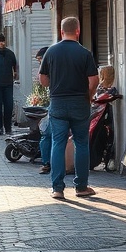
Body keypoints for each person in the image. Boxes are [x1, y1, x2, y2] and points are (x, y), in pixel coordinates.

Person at [40, 16, 99, 200]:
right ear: (78, 31)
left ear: (61, 31)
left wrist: (54, 83)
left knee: (58, 143)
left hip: (58, 103)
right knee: (81, 144)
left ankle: (57, 189)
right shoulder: (84, 53)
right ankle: (81, 187)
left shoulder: (51, 52)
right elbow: (94, 80)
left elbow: (42, 80)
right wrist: (88, 97)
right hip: (79, 104)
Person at [34, 46, 52, 174]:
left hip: (57, 105)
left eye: (40, 60)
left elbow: (44, 82)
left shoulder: (49, 66)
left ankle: (47, 164)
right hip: (76, 103)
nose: (40, 63)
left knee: (47, 134)